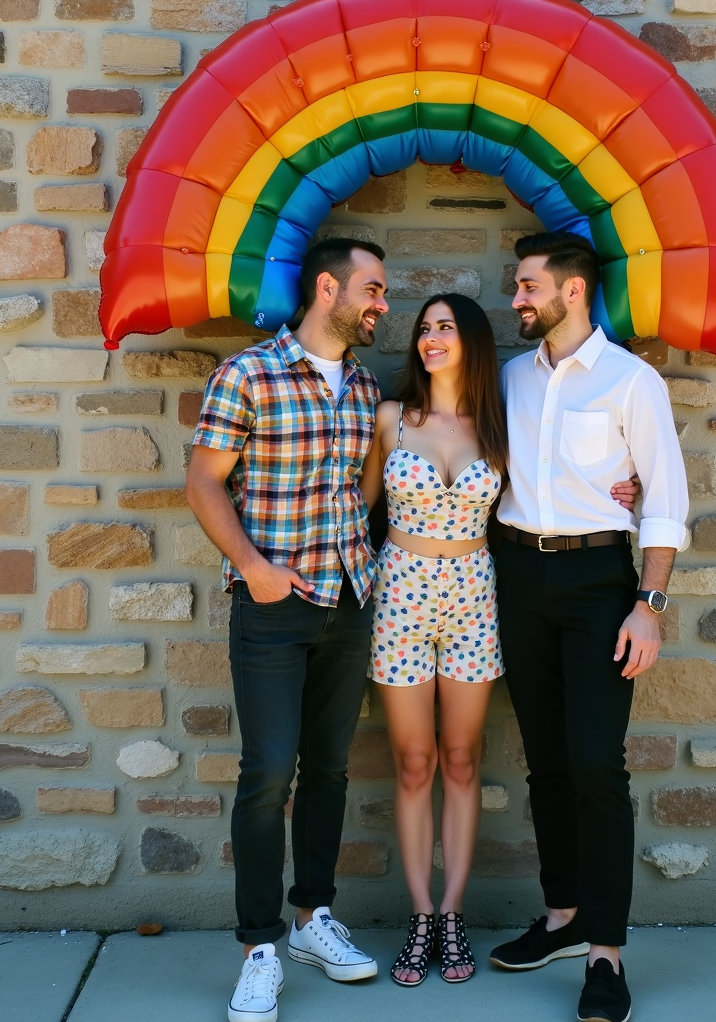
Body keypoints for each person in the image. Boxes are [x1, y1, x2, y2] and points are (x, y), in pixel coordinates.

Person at [359, 294, 640, 989]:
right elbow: (357, 508)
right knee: (414, 761)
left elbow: (557, 485)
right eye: (424, 329)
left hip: (475, 602)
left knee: (461, 760)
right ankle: (420, 914)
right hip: (401, 597)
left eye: (445, 328)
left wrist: (620, 491)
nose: (430, 339)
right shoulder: (391, 420)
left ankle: (452, 911)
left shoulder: (500, 427)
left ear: (472, 342)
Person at [185, 237, 390, 1022]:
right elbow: (204, 481)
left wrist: (360, 561)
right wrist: (254, 566)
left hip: (348, 600)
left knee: (330, 768)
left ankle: (313, 920)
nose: (380, 305)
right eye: (371, 289)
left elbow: (364, 486)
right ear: (327, 287)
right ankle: (260, 947)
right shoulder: (248, 373)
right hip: (271, 606)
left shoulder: (368, 386)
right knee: (269, 773)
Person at [488, 232, 690, 1022]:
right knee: (545, 764)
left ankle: (606, 955)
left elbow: (664, 500)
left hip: (598, 582)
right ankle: (564, 918)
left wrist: (651, 604)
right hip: (518, 575)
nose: (517, 300)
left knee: (597, 766)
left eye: (528, 286)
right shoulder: (510, 377)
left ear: (572, 291)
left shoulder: (631, 381)